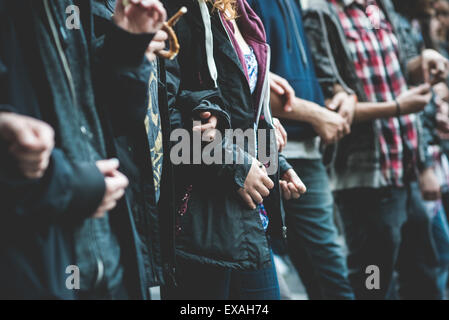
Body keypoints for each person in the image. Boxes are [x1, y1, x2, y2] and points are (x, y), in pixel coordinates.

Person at [0, 0, 171, 299]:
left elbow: (104, 118)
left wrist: (126, 48)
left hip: (107, 261)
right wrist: (69, 184)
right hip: (36, 272)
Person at [302, 0, 448, 299]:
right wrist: (397, 107)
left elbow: (396, 71)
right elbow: (330, 104)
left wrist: (422, 62)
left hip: (405, 170)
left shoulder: (378, 9)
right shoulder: (320, 14)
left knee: (423, 274)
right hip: (365, 179)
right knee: (373, 280)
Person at [162, 0, 305, 300]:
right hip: (203, 223)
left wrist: (273, 164)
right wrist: (236, 168)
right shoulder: (176, 11)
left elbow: (243, 114)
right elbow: (166, 123)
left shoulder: (242, 11)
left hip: (248, 219)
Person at [248, 0, 355, 300]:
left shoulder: (297, 4)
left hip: (305, 150)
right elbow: (250, 81)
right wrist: (316, 114)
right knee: (322, 265)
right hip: (267, 149)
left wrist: (344, 95)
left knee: (317, 266)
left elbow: (320, 69)